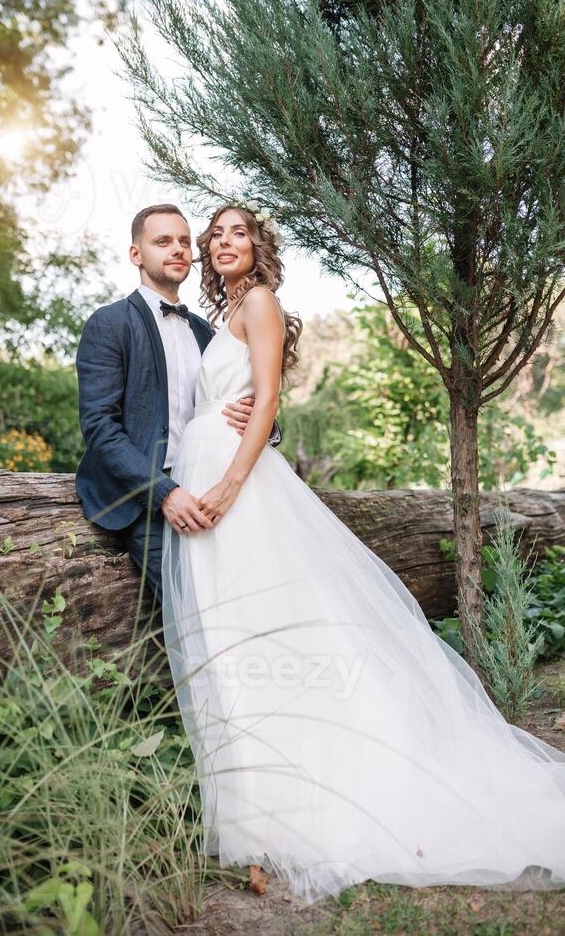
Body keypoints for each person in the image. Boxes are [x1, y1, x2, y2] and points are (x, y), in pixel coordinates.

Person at [160, 201, 565, 904]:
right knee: (228, 649)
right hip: (203, 480)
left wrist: (228, 482)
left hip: (238, 492)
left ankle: (282, 826)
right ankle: (256, 830)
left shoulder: (259, 300)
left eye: (239, 233)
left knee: (260, 639)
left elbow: (265, 402)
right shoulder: (216, 318)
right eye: (215, 235)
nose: (225, 243)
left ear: (259, 248)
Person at [74, 204, 282, 609]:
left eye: (185, 242)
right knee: (196, 610)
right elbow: (99, 426)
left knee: (249, 598)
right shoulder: (109, 322)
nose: (177, 250)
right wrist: (164, 493)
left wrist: (267, 426)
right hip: (143, 497)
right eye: (163, 241)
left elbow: (248, 396)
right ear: (137, 254)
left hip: (209, 485)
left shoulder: (207, 331)